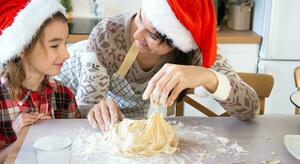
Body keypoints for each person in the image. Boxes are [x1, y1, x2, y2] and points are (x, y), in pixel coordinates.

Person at [56, 0, 259, 132]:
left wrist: (208, 77)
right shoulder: (108, 34)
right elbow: (86, 110)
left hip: (132, 118)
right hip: (66, 90)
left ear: (179, 43)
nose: (137, 35)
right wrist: (97, 110)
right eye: (140, 19)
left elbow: (251, 109)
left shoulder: (196, 50)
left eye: (152, 34)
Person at [0, 0, 80, 153]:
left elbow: (76, 149)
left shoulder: (64, 96)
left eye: (65, 44)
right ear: (23, 48)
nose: (66, 54)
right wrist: (21, 142)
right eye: (54, 45)